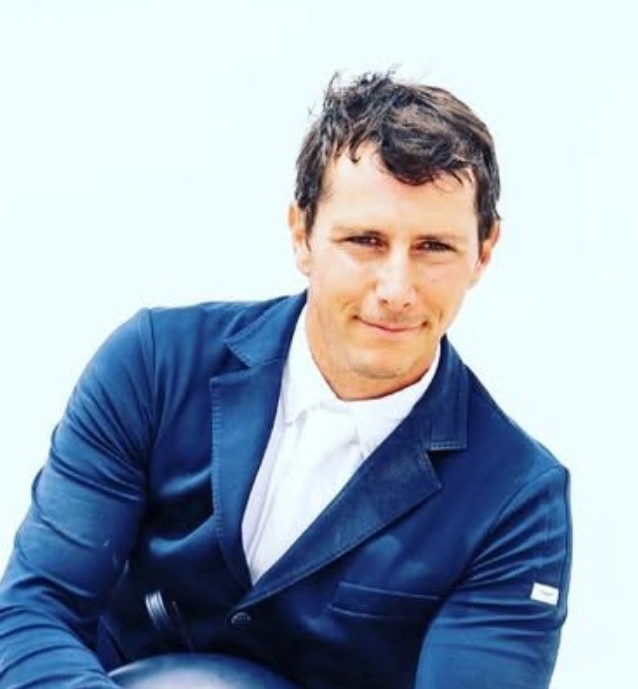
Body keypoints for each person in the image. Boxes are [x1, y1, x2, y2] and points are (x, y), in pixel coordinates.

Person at [0, 72, 571, 688]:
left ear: (484, 252)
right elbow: (31, 614)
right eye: (365, 241)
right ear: (302, 234)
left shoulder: (516, 500)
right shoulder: (154, 366)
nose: (396, 289)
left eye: (434, 247)